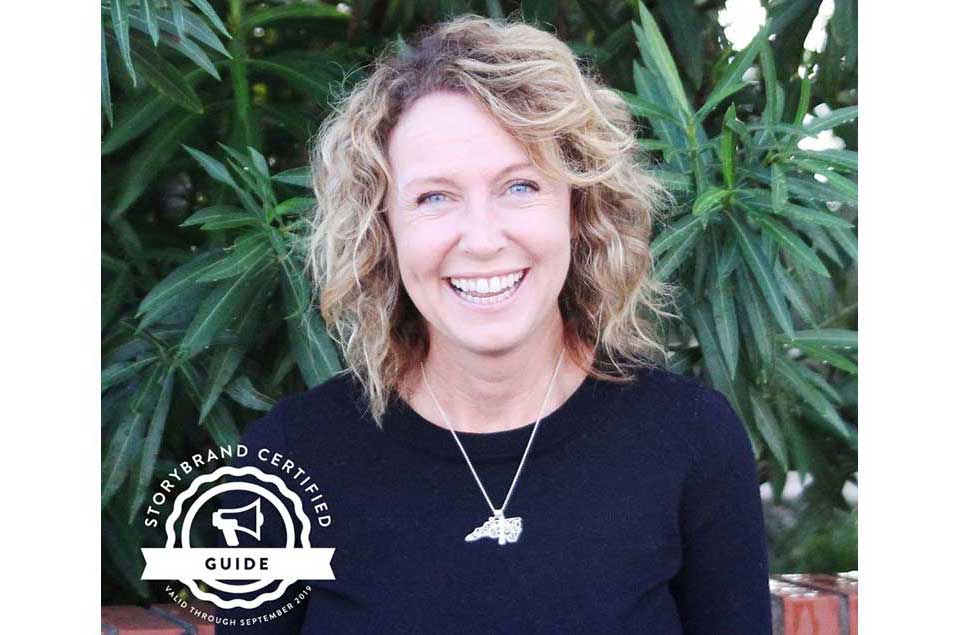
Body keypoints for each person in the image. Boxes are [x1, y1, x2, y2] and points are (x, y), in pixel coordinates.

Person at [215, 14, 772, 634]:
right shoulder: (284, 463)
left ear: (580, 210)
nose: (481, 240)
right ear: (383, 231)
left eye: (520, 186)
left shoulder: (690, 440)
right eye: (434, 197)